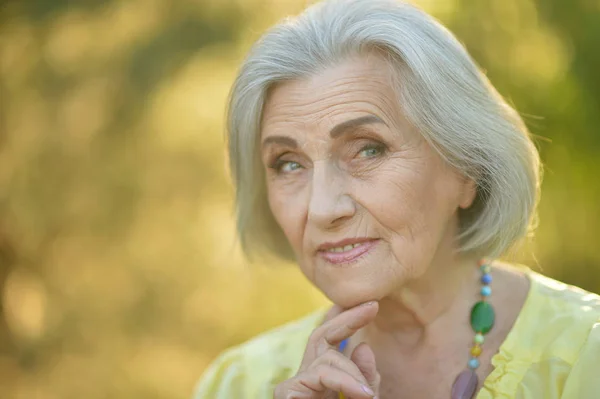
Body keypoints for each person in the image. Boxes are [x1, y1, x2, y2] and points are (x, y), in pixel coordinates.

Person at [194, 0, 600, 397]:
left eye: (368, 149)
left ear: (467, 167)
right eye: (288, 163)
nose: (321, 209)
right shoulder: (237, 385)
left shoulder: (586, 354)